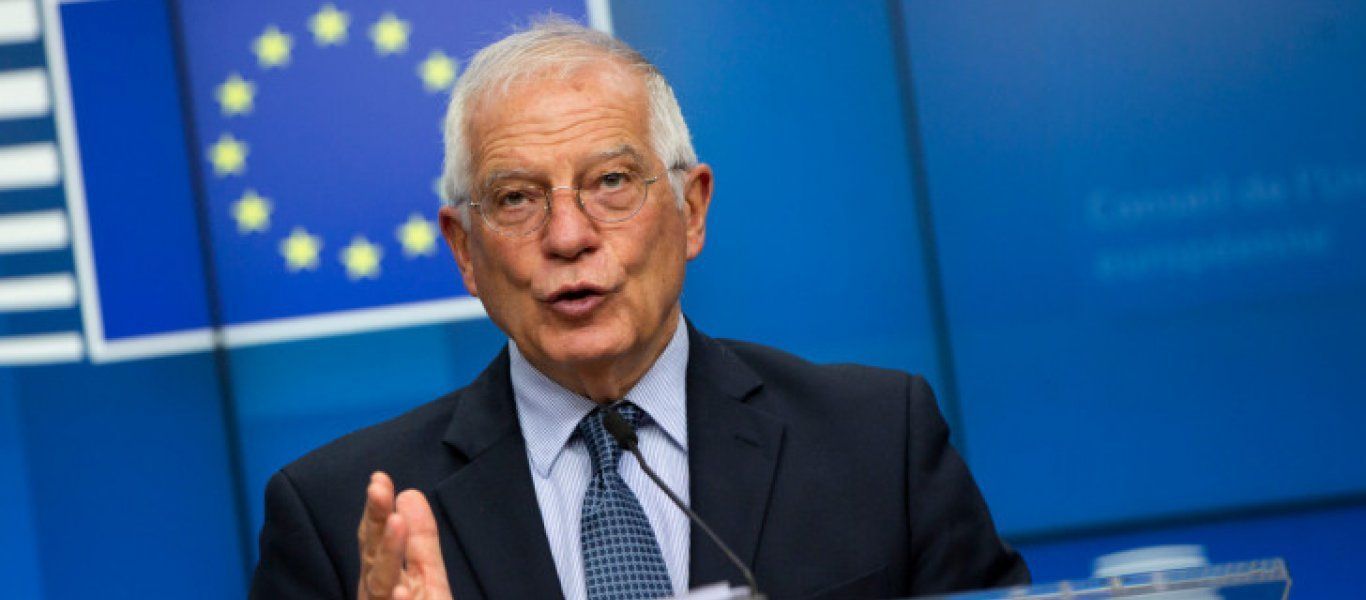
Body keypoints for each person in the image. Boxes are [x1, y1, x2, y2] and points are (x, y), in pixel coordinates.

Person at [250, 18, 1028, 600]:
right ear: (464, 251)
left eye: (612, 182)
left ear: (692, 210)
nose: (568, 236)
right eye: (516, 198)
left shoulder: (876, 441)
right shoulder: (338, 521)